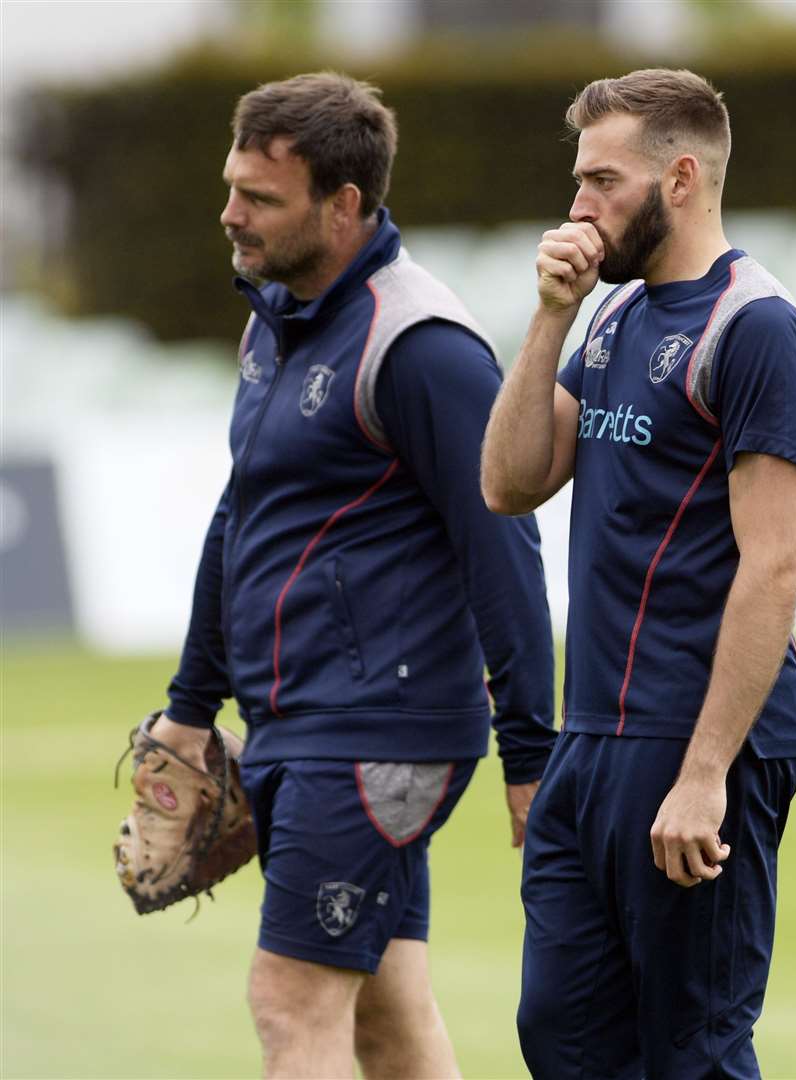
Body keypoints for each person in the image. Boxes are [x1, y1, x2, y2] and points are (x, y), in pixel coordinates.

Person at [147, 72, 556, 1078]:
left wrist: (531, 753)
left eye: (260, 198)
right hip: (303, 723)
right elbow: (243, 516)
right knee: (386, 1013)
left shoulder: (421, 344)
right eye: (233, 187)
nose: (230, 215)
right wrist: (189, 707)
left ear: (343, 205)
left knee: (290, 1004)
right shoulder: (274, 321)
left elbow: (503, 540)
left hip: (379, 731)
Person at [480, 68, 796, 1077]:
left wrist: (706, 773)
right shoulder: (613, 318)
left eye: (602, 180)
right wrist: (550, 313)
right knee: (561, 1037)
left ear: (679, 178)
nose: (579, 203)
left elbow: (774, 567)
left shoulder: (755, 328)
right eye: (578, 180)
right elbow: (507, 484)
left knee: (694, 1052)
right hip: (589, 740)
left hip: (695, 744)